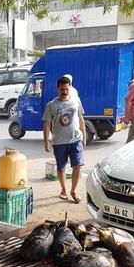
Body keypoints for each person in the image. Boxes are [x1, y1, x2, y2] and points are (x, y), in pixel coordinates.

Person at [43, 74, 87, 204]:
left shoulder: (75, 101)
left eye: (67, 89)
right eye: (62, 89)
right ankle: (63, 190)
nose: (65, 92)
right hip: (59, 141)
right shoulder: (51, 105)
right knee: (61, 168)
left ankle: (73, 190)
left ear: (69, 88)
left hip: (75, 139)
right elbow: (46, 123)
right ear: (58, 89)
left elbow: (81, 118)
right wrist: (46, 141)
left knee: (77, 166)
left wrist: (84, 136)